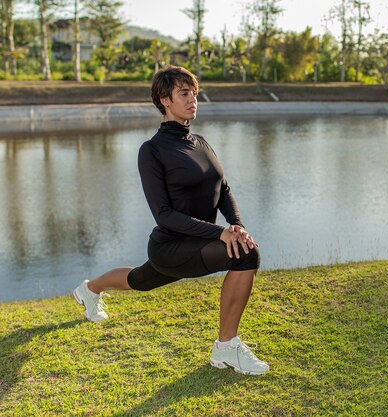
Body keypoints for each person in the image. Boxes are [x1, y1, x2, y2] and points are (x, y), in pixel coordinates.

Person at [72, 66, 268, 376]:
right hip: (171, 246)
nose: (193, 100)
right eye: (184, 94)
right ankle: (226, 348)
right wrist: (221, 233)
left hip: (198, 242)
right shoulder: (151, 151)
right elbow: (163, 214)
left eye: (194, 93)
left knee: (138, 280)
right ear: (165, 100)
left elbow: (223, 188)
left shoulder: (201, 142)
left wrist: (237, 224)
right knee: (247, 256)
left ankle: (89, 289)